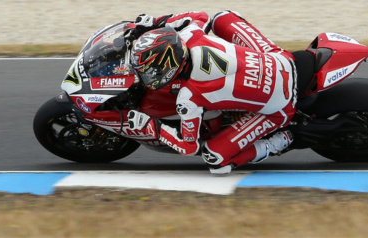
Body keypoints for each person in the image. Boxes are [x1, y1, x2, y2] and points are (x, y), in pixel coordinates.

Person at [122, 11, 296, 174]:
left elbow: (189, 148)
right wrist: (155, 22)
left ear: (166, 67)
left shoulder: (188, 97)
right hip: (281, 59)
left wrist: (150, 127)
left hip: (280, 108)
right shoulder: (191, 34)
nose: (145, 76)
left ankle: (276, 144)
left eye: (148, 71)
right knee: (221, 17)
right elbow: (200, 15)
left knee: (215, 159)